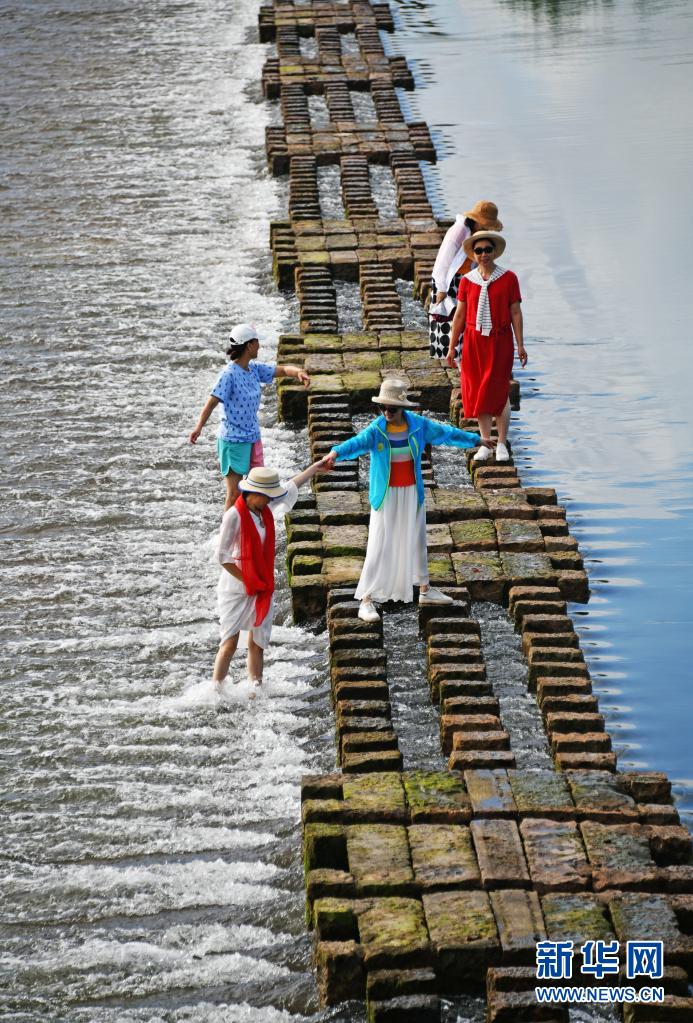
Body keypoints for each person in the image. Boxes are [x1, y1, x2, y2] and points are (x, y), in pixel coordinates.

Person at [323, 379, 482, 623]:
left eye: (392, 408)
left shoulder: (418, 426)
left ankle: (425, 590)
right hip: (386, 495)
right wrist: (335, 452)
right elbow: (354, 444)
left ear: (402, 408)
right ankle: (366, 599)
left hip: (410, 492)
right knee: (380, 542)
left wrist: (476, 440)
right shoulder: (376, 430)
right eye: (383, 408)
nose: (387, 413)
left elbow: (446, 433)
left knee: (417, 539)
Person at [213, 460, 328, 688]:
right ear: (253, 493)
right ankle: (216, 689)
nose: (270, 500)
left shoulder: (263, 509)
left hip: (262, 586)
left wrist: (315, 468)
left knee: (258, 642)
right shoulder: (234, 516)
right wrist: (248, 580)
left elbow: (290, 487)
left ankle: (256, 689)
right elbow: (222, 557)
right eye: (267, 496)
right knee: (230, 643)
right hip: (236, 588)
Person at [190, 323, 311, 509]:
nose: (259, 345)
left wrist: (299, 372)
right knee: (234, 494)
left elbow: (282, 370)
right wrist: (198, 427)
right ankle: (229, 534)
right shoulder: (228, 375)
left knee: (257, 489)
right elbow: (211, 402)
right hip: (233, 441)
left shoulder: (253, 368)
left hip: (253, 437)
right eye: (257, 342)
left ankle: (251, 525)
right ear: (249, 345)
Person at [446, 231, 526, 464]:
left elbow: (516, 313)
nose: (483, 254)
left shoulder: (509, 278)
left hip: (499, 340)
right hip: (473, 341)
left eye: (487, 250)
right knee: (478, 390)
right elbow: (460, 315)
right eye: (479, 251)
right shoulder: (467, 281)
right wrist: (452, 346)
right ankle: (485, 442)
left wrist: (520, 344)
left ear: (494, 252)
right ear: (474, 254)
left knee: (499, 391)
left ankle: (501, 442)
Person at [429, 201, 503, 360]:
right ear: (475, 220)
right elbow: (443, 261)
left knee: (464, 319)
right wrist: (441, 289)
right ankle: (452, 357)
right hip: (448, 282)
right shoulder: (460, 230)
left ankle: (461, 356)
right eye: (484, 225)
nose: (486, 229)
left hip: (463, 280)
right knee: (448, 318)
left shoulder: (473, 232)